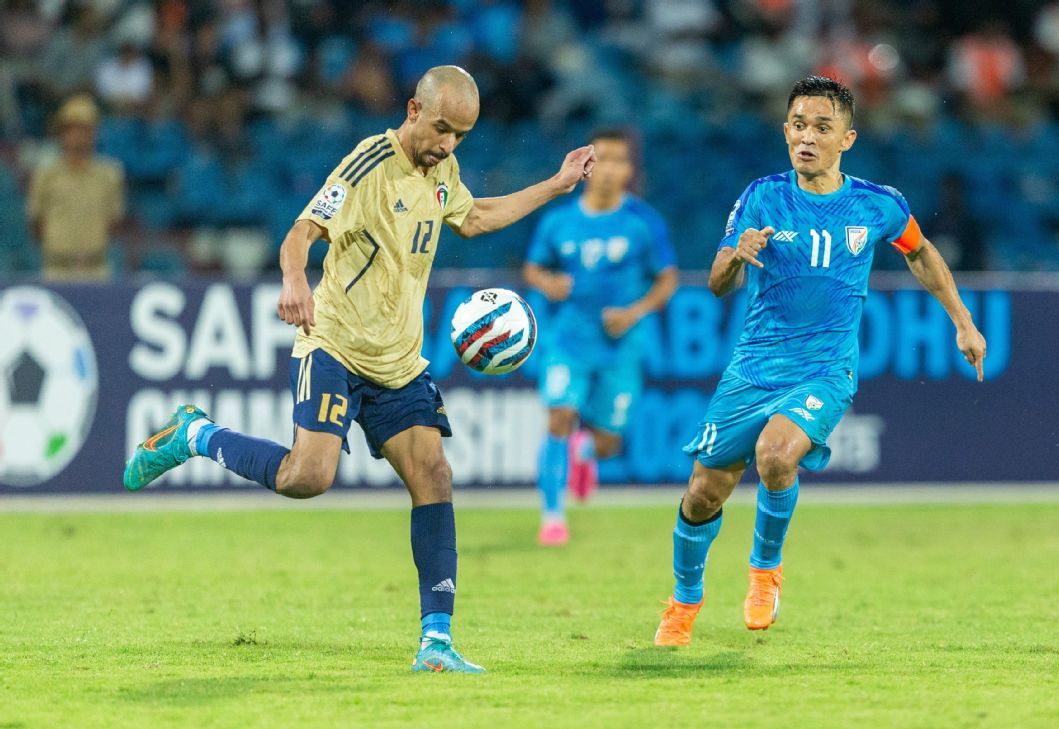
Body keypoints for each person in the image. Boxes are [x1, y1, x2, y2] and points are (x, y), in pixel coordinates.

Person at [122, 66, 596, 674]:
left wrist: (556, 185)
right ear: (414, 110)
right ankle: (195, 434)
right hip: (336, 346)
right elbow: (301, 232)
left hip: (399, 361)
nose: (449, 145)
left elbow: (475, 219)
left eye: (462, 136)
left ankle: (436, 641)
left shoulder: (441, 169)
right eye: (443, 129)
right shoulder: (367, 162)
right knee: (306, 477)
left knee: (434, 475)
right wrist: (295, 277)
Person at [653, 76, 987, 647]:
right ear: (786, 132)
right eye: (799, 126)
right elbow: (715, 284)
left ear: (847, 139)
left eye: (821, 128)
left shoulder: (877, 205)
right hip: (753, 368)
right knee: (703, 492)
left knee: (776, 453)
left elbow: (922, 252)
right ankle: (684, 603)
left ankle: (764, 572)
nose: (807, 138)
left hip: (825, 369)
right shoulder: (761, 196)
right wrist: (738, 253)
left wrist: (962, 320)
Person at [523, 129, 679, 546]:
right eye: (602, 159)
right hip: (568, 341)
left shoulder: (644, 222)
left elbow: (667, 280)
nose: (610, 169)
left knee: (608, 443)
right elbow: (534, 268)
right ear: (587, 166)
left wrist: (635, 312)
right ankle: (552, 517)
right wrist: (547, 282)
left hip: (619, 349)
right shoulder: (558, 221)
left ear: (629, 169)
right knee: (558, 416)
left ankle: (586, 451)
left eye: (619, 160)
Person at [26, 95, 124, 281]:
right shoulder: (46, 173)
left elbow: (114, 223)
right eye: (71, 129)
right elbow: (36, 222)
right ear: (61, 133)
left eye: (85, 129)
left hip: (96, 270)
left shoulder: (110, 174)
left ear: (95, 133)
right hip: (56, 270)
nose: (78, 135)